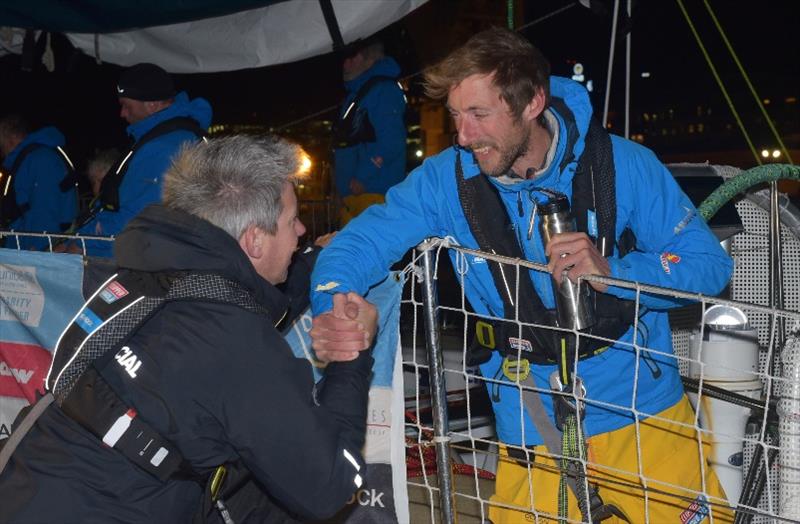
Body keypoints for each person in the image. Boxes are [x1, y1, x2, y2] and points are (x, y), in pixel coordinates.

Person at [311, 27, 735, 523]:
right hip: (529, 419)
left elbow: (709, 266)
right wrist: (334, 301)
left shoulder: (623, 165)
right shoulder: (445, 180)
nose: (463, 136)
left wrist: (614, 272)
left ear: (532, 102)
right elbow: (361, 242)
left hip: (645, 412)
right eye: (455, 116)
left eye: (479, 115)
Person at [0, 135, 377, 523]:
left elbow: (236, 295)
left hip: (28, 482)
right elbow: (330, 486)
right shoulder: (235, 343)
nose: (300, 230)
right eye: (292, 220)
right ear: (254, 240)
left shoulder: (147, 275)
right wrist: (351, 357)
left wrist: (315, 261)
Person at [77, 62, 212, 257]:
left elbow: (140, 219)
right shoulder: (169, 136)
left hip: (147, 264)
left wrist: (83, 244)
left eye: (126, 106)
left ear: (153, 105)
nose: (122, 114)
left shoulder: (165, 147)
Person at [331, 36, 407, 225]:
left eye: (352, 57)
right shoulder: (358, 93)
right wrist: (340, 188)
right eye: (345, 58)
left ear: (370, 59)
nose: (345, 63)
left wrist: (363, 176)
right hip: (356, 196)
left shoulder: (382, 91)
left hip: (372, 193)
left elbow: (392, 141)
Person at [0, 114, 77, 250]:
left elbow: (45, 211)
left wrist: (38, 251)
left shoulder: (40, 160)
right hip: (23, 249)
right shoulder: (29, 160)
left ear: (10, 138)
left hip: (37, 253)